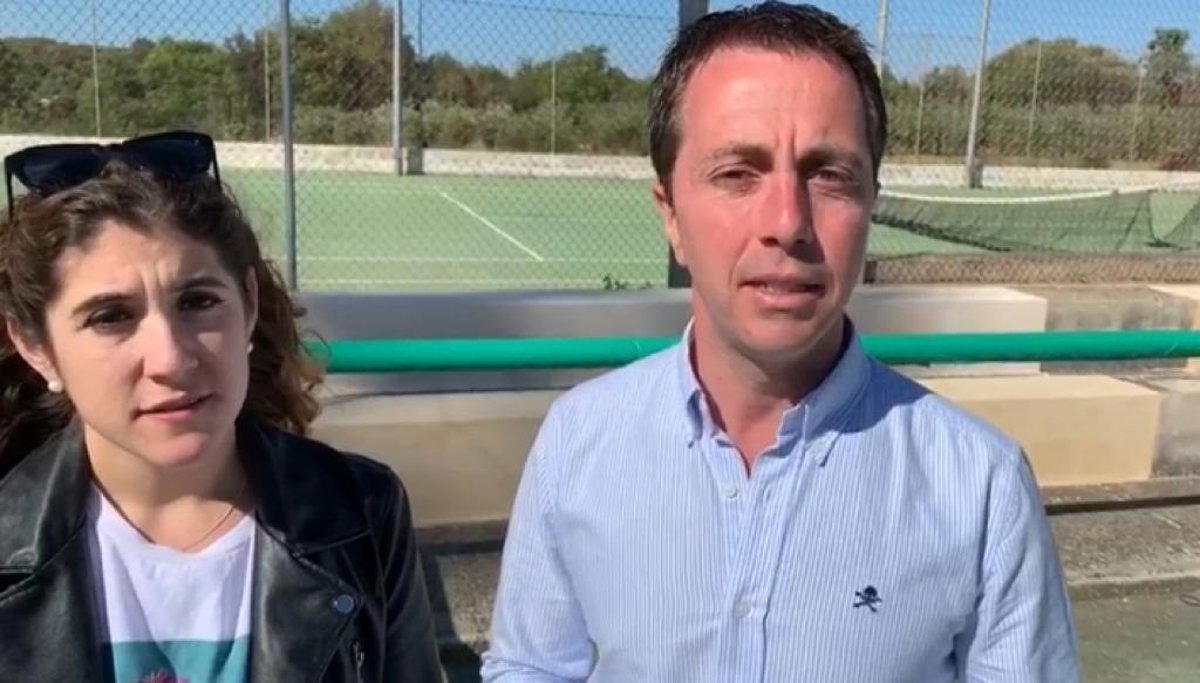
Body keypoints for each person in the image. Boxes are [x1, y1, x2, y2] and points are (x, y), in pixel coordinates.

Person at [481, 3, 1079, 682]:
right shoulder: (577, 439)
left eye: (829, 175)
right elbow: (529, 666)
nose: (788, 221)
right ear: (670, 216)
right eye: (738, 173)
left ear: (871, 204)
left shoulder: (981, 482)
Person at [0, 130, 444, 682]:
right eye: (110, 316)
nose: (169, 358)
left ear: (248, 305)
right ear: (35, 346)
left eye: (198, 302)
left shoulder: (360, 513)